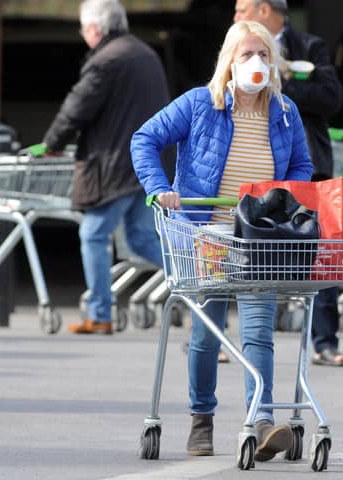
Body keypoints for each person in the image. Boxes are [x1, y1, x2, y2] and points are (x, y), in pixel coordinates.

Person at [131, 21, 313, 460]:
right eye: (247, 54)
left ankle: (262, 419)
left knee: (258, 333)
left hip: (260, 238)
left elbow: (303, 166)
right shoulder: (200, 104)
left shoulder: (285, 112)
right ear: (229, 61)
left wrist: (284, 197)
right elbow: (145, 139)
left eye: (265, 55)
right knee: (207, 335)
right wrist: (159, 189)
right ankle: (201, 418)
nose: (256, 63)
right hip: (206, 236)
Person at [233, 0, 343, 367]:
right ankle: (224, 336)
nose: (237, 18)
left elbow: (332, 99)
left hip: (310, 166)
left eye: (242, 10)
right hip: (256, 169)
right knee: (232, 249)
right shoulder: (236, 45)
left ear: (264, 10)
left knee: (323, 253)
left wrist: (278, 82)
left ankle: (325, 341)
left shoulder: (310, 48)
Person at [39, 0, 168, 335]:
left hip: (115, 164)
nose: (84, 35)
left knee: (94, 234)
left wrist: (51, 142)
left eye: (83, 28)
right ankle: (198, 282)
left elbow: (76, 108)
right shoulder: (144, 54)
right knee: (140, 238)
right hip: (146, 164)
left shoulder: (106, 61)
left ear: (95, 28)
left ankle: (100, 314)